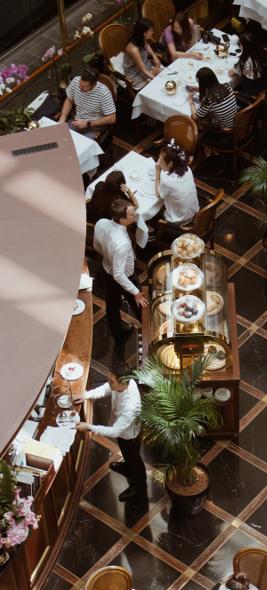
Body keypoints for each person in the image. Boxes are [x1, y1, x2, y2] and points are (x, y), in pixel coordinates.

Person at [75, 367, 147, 503]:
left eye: (112, 381)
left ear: (123, 383)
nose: (109, 383)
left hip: (130, 436)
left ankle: (139, 487)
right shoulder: (120, 384)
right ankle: (128, 467)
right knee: (127, 455)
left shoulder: (131, 405)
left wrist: (89, 427)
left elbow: (115, 431)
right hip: (121, 429)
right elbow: (106, 388)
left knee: (135, 460)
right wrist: (86, 395)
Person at [93, 199, 149, 346]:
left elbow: (96, 246)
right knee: (141, 305)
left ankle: (118, 335)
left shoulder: (101, 223)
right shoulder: (122, 243)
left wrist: (108, 255)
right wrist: (136, 292)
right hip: (125, 276)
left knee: (112, 305)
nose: (135, 215)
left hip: (107, 270)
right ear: (122, 219)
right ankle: (149, 332)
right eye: (132, 214)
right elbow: (119, 275)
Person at [155, 139, 199, 241]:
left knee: (154, 208)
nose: (159, 163)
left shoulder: (167, 180)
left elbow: (158, 194)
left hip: (179, 220)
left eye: (161, 160)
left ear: (170, 163)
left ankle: (153, 232)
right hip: (194, 212)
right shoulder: (187, 169)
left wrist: (157, 172)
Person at [59, 66, 116, 138]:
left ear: (93, 85)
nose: (80, 88)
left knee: (81, 143)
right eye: (80, 84)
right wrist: (62, 117)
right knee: (60, 136)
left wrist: (87, 123)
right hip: (77, 120)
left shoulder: (103, 93)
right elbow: (69, 100)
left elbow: (112, 118)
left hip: (94, 126)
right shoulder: (76, 81)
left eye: (84, 87)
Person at [188, 67, 238, 147]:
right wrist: (199, 90)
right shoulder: (227, 86)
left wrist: (190, 100)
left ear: (202, 83)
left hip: (225, 130)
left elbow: (195, 117)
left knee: (197, 122)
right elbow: (215, 91)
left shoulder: (209, 99)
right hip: (237, 120)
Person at [228, 31, 267, 97]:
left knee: (233, 82)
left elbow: (230, 73)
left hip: (251, 89)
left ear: (243, 47)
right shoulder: (264, 51)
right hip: (265, 81)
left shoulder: (245, 62)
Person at [123, 18, 162, 91]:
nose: (153, 32)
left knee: (162, 72)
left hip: (144, 66)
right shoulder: (133, 49)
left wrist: (155, 58)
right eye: (151, 30)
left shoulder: (142, 39)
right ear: (144, 33)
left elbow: (148, 47)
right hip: (135, 74)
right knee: (159, 82)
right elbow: (143, 70)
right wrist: (156, 80)